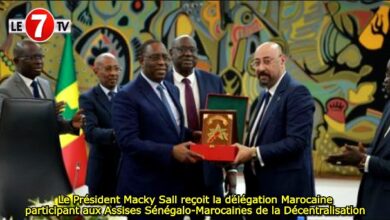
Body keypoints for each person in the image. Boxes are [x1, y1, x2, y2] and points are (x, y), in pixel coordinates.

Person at [111, 39, 204, 217]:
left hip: (173, 187)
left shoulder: (171, 89)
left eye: (165, 57)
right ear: (141, 60)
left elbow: (171, 126)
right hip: (143, 190)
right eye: (154, 57)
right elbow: (128, 142)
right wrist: (171, 151)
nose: (161, 62)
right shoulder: (126, 95)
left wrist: (192, 134)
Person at [233, 42, 315, 219]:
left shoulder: (297, 92)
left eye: (267, 61)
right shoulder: (264, 95)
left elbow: (297, 142)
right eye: (257, 63)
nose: (261, 68)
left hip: (286, 198)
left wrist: (254, 152)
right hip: (259, 194)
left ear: (282, 60)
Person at [166, 35, 237, 200]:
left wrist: (231, 168)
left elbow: (225, 127)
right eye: (182, 49)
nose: (188, 54)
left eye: (192, 50)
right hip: (173, 172)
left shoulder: (214, 81)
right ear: (171, 53)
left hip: (210, 172)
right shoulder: (161, 84)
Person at [326, 58, 390, 220]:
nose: (385, 80)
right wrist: (361, 155)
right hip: (370, 203)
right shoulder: (388, 106)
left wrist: (365, 160)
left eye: (389, 74)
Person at [0, 39, 82, 134]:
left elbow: (54, 123)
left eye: (40, 57)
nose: (38, 62)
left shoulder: (45, 84)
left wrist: (71, 124)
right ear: (16, 62)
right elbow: (7, 127)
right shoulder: (6, 90)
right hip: (23, 148)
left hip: (48, 147)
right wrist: (42, 114)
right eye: (31, 58)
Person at [79, 53, 121, 196]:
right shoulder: (87, 98)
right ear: (96, 70)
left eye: (116, 69)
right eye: (108, 69)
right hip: (102, 172)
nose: (113, 73)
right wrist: (118, 133)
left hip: (127, 172)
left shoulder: (127, 95)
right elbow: (90, 133)